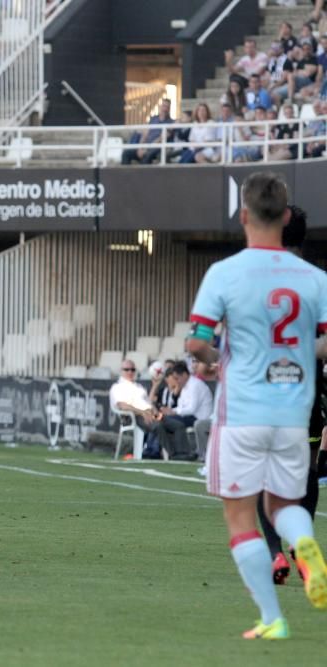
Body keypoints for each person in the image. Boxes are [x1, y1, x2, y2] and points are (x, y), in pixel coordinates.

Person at [186, 172, 327, 640]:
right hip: (293, 412)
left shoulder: (224, 273)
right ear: (286, 217)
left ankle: (272, 619)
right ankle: (304, 540)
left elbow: (197, 342)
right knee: (284, 502)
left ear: (243, 215)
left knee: (241, 513)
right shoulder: (315, 279)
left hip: (243, 409)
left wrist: (221, 361)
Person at [252, 205, 327, 586]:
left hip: (265, 391)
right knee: (309, 470)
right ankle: (301, 543)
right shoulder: (318, 281)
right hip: (307, 391)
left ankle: (274, 553)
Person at [155, 361, 212, 460]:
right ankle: (173, 453)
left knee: (166, 420)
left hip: (199, 418)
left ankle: (181, 452)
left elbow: (191, 409)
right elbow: (182, 407)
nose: (176, 382)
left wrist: (173, 412)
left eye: (177, 378)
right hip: (189, 416)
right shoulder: (185, 386)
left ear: (185, 375)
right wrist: (171, 410)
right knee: (161, 421)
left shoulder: (195, 385)